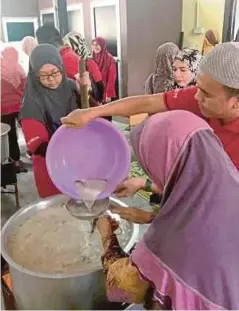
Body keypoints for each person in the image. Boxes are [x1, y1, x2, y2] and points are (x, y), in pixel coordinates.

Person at [95, 110, 239, 310]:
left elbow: (123, 287)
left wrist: (106, 234)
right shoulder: (227, 185)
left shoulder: (168, 243)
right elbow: (207, 228)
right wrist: (152, 217)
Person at [61, 42, 239, 171]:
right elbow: (147, 102)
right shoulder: (199, 97)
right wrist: (92, 112)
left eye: (206, 94)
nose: (196, 96)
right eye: (198, 88)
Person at [19, 44, 90, 198]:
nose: (51, 79)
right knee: (59, 207)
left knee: (82, 203)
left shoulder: (71, 86)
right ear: (34, 75)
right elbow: (37, 146)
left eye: (55, 72)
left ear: (61, 68)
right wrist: (68, 150)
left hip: (79, 160)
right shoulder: (31, 103)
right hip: (51, 166)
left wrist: (87, 90)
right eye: (43, 75)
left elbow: (91, 112)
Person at [36, 25, 104, 103]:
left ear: (51, 41)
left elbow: (85, 91)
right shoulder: (64, 56)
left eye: (41, 45)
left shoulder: (66, 59)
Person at [1, 46, 27, 173]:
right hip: (20, 105)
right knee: (27, 129)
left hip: (3, 108)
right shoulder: (19, 68)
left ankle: (14, 160)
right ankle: (34, 153)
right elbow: (26, 87)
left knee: (10, 134)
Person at [63, 32, 104, 104]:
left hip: (90, 98)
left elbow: (99, 83)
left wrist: (99, 100)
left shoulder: (88, 61)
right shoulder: (76, 59)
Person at [92, 37, 117, 104]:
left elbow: (111, 78)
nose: (95, 47)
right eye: (93, 45)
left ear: (102, 45)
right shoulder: (92, 57)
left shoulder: (109, 59)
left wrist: (108, 94)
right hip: (95, 90)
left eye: (97, 45)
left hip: (105, 91)